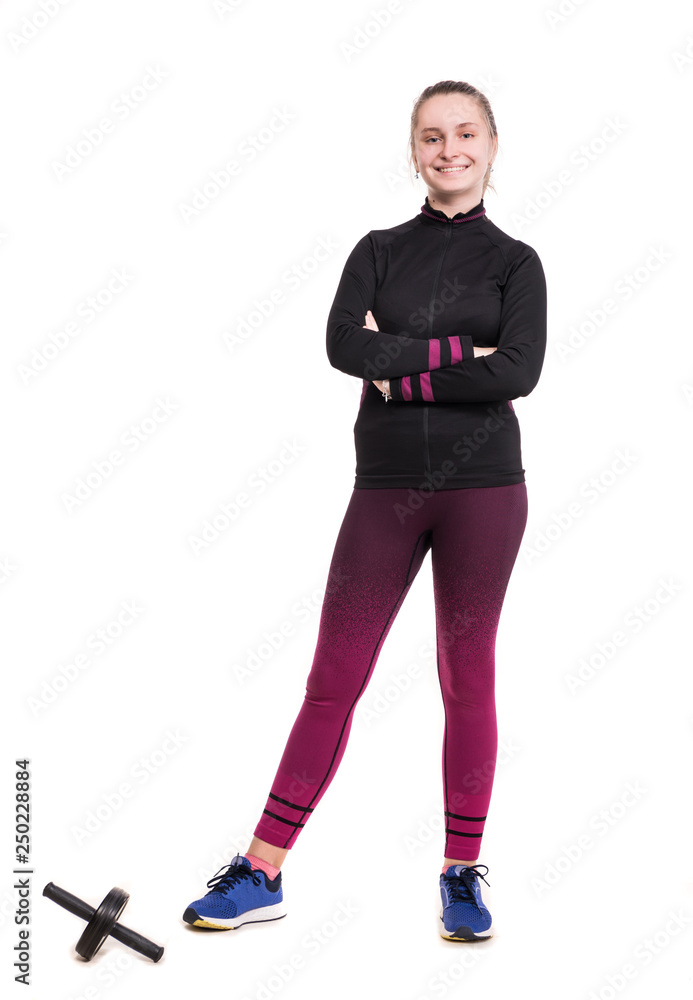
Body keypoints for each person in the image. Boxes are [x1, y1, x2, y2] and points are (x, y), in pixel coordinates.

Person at [183, 79, 547, 941]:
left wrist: (405, 364)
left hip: (485, 492)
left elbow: (519, 371)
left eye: (464, 134)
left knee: (468, 678)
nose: (448, 149)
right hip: (382, 492)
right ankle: (262, 870)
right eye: (431, 136)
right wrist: (465, 351)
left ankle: (461, 874)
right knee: (331, 680)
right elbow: (344, 344)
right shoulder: (377, 249)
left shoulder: (516, 262)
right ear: (412, 150)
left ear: (492, 148)